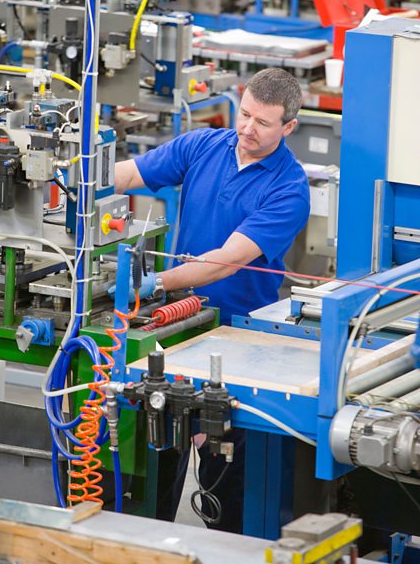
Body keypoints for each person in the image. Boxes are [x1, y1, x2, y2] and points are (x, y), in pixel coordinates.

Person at [114, 67, 310, 533]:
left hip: (238, 341)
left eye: (263, 123)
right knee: (155, 459)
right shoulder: (203, 145)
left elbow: (225, 261)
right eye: (244, 114)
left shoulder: (290, 188)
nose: (247, 129)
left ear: (288, 128)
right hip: (172, 328)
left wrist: (156, 282)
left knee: (228, 487)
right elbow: (127, 174)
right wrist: (67, 176)